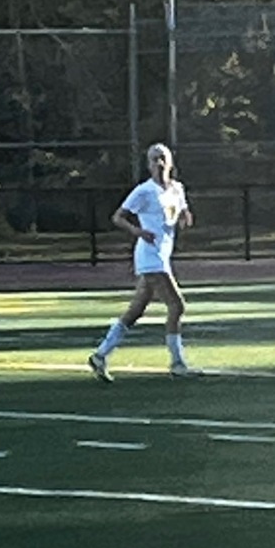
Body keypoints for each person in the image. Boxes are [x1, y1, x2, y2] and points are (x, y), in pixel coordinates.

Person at [88, 142, 194, 382]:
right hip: (150, 256)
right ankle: (177, 363)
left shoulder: (177, 189)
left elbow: (181, 211)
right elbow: (118, 217)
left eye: (162, 157)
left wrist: (185, 217)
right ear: (148, 164)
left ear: (170, 162)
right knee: (177, 306)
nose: (159, 162)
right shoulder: (144, 191)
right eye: (154, 158)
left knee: (135, 311)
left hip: (163, 254)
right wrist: (138, 232)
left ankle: (100, 355)